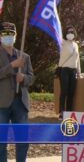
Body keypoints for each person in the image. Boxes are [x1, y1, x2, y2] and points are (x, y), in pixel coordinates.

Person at [0, 22, 34, 162]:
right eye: (5, 34)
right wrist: (11, 66)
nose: (8, 37)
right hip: (1, 104)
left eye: (11, 34)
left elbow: (32, 78)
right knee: (1, 142)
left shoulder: (24, 57)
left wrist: (24, 78)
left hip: (20, 103)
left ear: (16, 36)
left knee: (22, 141)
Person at [58, 26, 81, 120]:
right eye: (68, 32)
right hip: (64, 70)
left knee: (71, 93)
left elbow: (78, 59)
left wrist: (79, 72)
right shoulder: (63, 42)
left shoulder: (76, 45)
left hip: (73, 70)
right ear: (65, 33)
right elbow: (56, 34)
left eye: (72, 32)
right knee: (64, 92)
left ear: (74, 33)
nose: (70, 34)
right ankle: (62, 113)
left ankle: (69, 113)